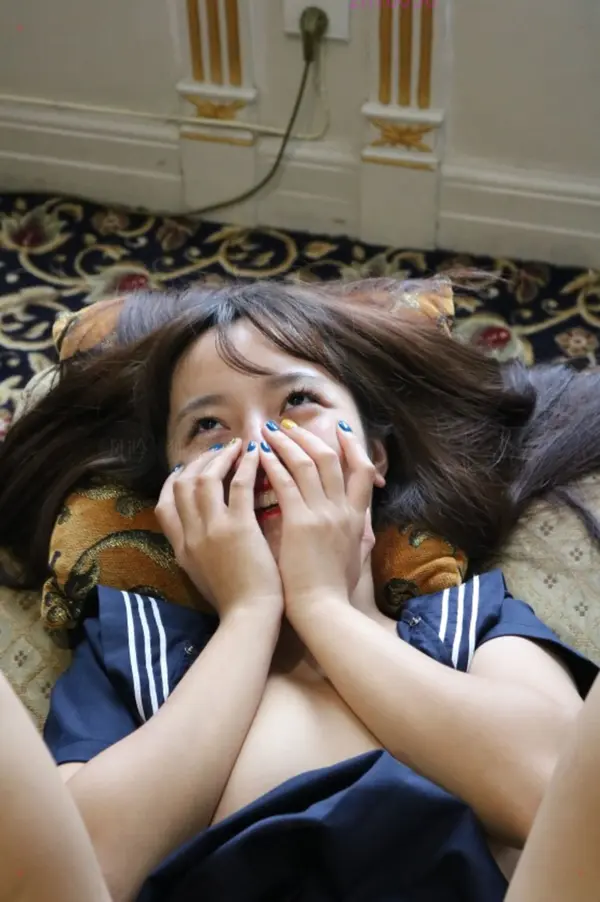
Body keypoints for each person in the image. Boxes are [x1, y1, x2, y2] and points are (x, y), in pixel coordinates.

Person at [0, 279, 599, 902]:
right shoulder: (133, 649)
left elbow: (560, 806)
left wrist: (322, 605)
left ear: (373, 456)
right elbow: (74, 876)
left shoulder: (471, 623)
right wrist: (249, 614)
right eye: (208, 425)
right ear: (170, 498)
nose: (258, 448)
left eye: (298, 401)